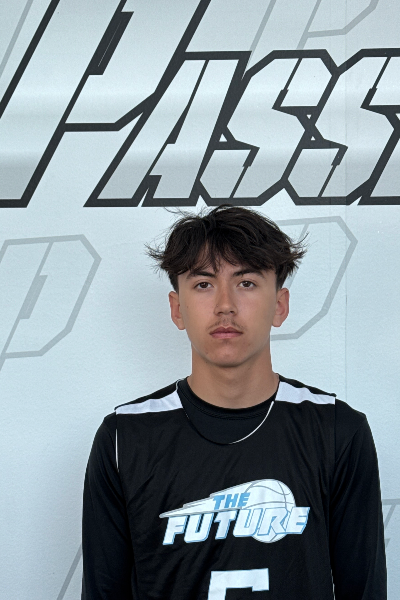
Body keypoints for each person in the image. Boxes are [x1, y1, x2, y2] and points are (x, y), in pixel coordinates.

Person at [81, 205, 386, 599]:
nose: (225, 304)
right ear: (177, 308)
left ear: (280, 305)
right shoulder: (124, 438)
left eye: (246, 282)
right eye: (203, 284)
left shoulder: (336, 431)